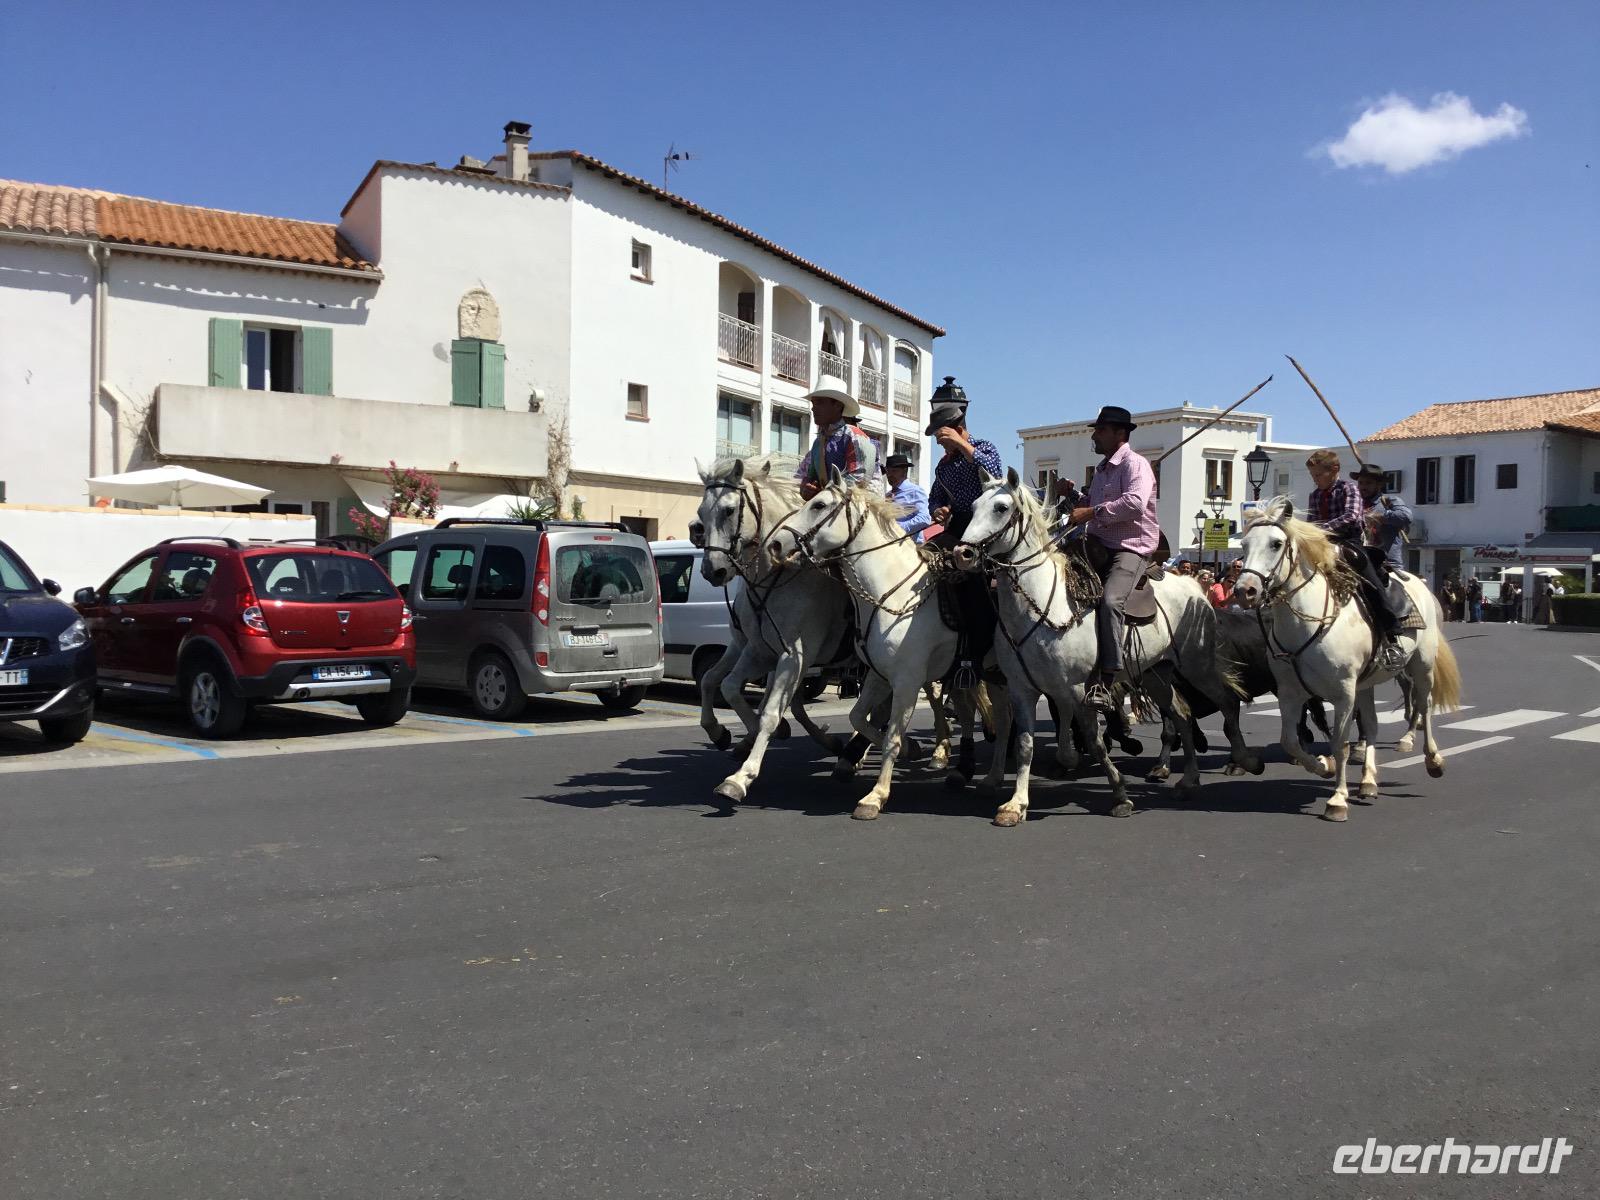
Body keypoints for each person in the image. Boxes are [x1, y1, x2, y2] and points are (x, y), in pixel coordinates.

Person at [1066, 405, 1160, 710]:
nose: (1094, 435)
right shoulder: (1103, 470)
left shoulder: (1137, 465)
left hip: (1130, 548)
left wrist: (1091, 510)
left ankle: (1107, 679)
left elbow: (1134, 504)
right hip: (1098, 542)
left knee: (1110, 601)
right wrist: (1073, 498)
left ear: (1120, 433)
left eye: (1100, 430)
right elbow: (1092, 506)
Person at [925, 399, 1004, 682]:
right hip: (958, 524)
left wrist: (960, 444)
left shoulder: (984, 448)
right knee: (925, 558)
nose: (939, 443)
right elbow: (936, 496)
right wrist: (938, 508)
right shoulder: (943, 466)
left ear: (958, 429)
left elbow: (995, 473)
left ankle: (980, 652)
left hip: (986, 526)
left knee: (973, 582)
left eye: (941, 436)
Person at [1306, 449, 1405, 672]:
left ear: (1334, 470)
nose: (1316, 480)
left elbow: (1351, 516)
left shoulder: (1349, 489)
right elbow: (1311, 519)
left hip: (1348, 542)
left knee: (1370, 581)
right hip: (1321, 544)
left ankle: (1391, 631)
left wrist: (1321, 528)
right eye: (1313, 476)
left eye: (1319, 475)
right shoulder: (1314, 495)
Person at [794, 378, 877, 499]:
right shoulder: (818, 442)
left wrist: (825, 494)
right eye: (813, 403)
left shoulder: (853, 436)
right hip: (825, 505)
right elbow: (811, 476)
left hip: (850, 508)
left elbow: (859, 479)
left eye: (820, 402)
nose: (813, 408)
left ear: (837, 405)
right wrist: (807, 487)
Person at [1353, 463, 1414, 571]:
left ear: (1379, 485)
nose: (1363, 487)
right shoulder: (1354, 505)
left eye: (1368, 483)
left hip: (1388, 565)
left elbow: (1406, 516)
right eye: (1360, 483)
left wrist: (1380, 517)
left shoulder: (1389, 501)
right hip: (1361, 563)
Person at [883, 453, 931, 543]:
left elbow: (924, 518)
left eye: (894, 471)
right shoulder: (887, 496)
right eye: (888, 471)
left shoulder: (915, 491)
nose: (889, 475)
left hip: (911, 548)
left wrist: (898, 528)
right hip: (890, 547)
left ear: (904, 471)